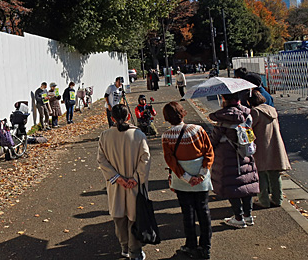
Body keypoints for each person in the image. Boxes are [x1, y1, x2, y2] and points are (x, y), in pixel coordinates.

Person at [97, 104, 151, 260]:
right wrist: (135, 178)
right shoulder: (138, 135)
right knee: (135, 216)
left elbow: (101, 160)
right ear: (128, 116)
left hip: (116, 185)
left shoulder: (105, 136)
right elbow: (145, 159)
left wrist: (117, 178)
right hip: (135, 184)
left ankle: (124, 247)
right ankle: (135, 251)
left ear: (112, 118)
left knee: (119, 216)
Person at [162, 102, 214, 260]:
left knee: (188, 213)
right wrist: (202, 174)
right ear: (182, 113)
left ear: (167, 117)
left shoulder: (167, 136)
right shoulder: (197, 130)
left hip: (182, 180)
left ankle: (190, 245)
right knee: (204, 211)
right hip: (201, 176)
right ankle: (205, 247)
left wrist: (186, 177)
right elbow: (209, 151)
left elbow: (170, 160)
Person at [209, 93, 259, 228]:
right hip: (245, 153)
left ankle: (238, 217)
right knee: (246, 184)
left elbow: (213, 141)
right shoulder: (247, 115)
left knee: (233, 187)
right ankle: (248, 216)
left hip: (227, 158)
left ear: (224, 99)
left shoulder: (223, 119)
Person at [247, 91, 290, 208]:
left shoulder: (255, 112)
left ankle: (264, 200)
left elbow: (249, 130)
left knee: (260, 174)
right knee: (274, 173)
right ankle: (278, 199)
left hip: (261, 145)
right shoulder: (272, 110)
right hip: (274, 144)